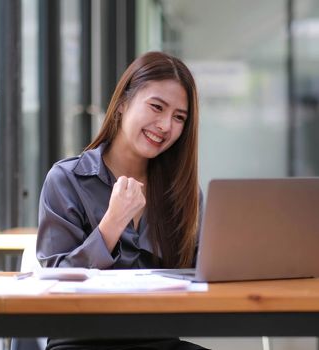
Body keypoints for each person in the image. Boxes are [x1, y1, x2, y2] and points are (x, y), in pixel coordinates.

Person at [37, 51, 206, 350]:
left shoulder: (184, 194)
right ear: (122, 104)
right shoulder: (67, 179)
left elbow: (201, 272)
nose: (166, 125)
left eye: (179, 117)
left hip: (158, 340)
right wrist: (112, 224)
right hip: (81, 342)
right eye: (157, 107)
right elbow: (54, 282)